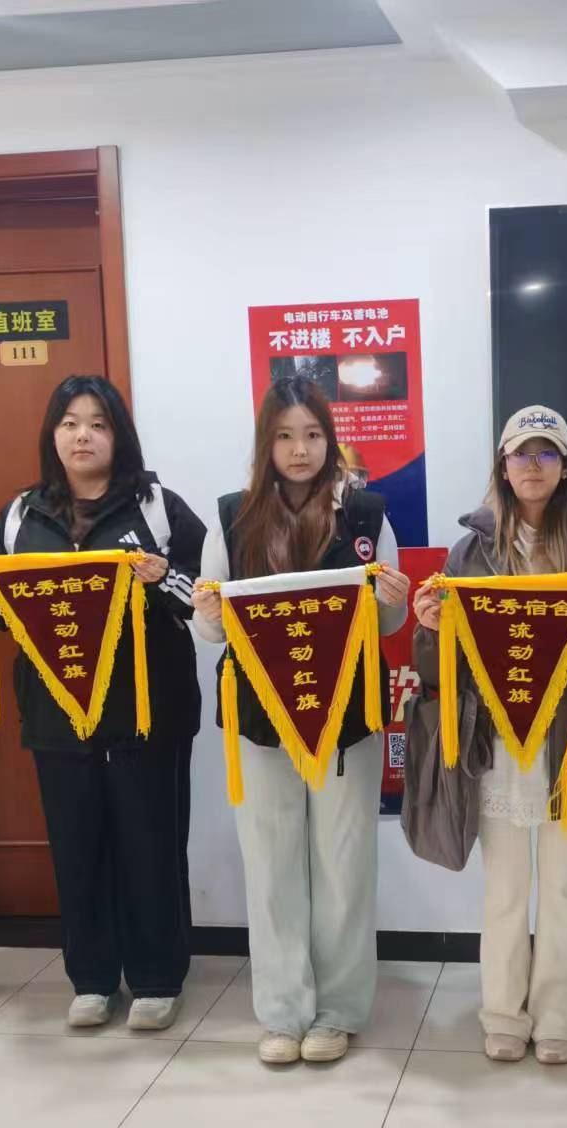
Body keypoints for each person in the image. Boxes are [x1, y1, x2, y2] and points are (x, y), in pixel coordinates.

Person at [0, 375, 205, 1032]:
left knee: (151, 843)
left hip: (147, 711)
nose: (82, 435)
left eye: (97, 423)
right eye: (69, 423)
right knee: (77, 847)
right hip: (57, 712)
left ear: (118, 435)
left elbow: (203, 600)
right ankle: (91, 978)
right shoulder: (21, 515)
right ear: (52, 435)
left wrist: (161, 577)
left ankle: (157, 977)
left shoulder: (158, 508)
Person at [411, 406, 567, 1065]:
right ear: (504, 465)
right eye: (522, 453)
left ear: (565, 467)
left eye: (547, 453)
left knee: (564, 889)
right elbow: (438, 671)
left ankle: (561, 1014)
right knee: (506, 890)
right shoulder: (469, 553)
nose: (533, 465)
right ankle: (503, 1013)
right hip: (498, 748)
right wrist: (429, 630)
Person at [192, 375, 410, 1065]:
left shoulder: (367, 516)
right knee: (271, 864)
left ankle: (339, 1011)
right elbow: (212, 631)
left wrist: (394, 600)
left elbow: (388, 623)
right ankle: (283, 1012)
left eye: (313, 434)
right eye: (285, 436)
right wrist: (208, 614)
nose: (299, 450)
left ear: (330, 439)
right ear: (266, 443)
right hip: (260, 716)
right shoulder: (231, 516)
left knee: (344, 863)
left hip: (347, 717)